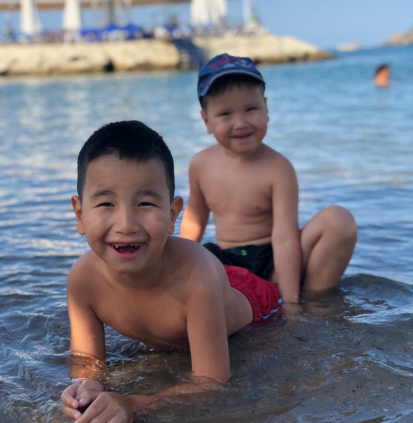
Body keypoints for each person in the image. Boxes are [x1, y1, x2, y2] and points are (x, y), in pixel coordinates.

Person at [60, 120, 281, 422]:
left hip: (253, 299)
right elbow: (87, 362)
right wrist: (83, 389)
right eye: (106, 203)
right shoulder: (83, 281)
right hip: (208, 275)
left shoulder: (195, 280)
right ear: (80, 214)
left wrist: (133, 404)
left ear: (172, 214)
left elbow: (211, 382)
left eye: (145, 203)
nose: (126, 224)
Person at [180, 53, 357, 307]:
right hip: (226, 262)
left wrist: (291, 303)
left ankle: (316, 301)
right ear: (207, 121)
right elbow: (195, 219)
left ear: (266, 109)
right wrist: (177, 266)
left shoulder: (278, 168)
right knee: (198, 262)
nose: (240, 123)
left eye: (250, 109)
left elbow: (285, 237)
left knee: (339, 220)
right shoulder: (200, 164)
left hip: (273, 260)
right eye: (226, 114)